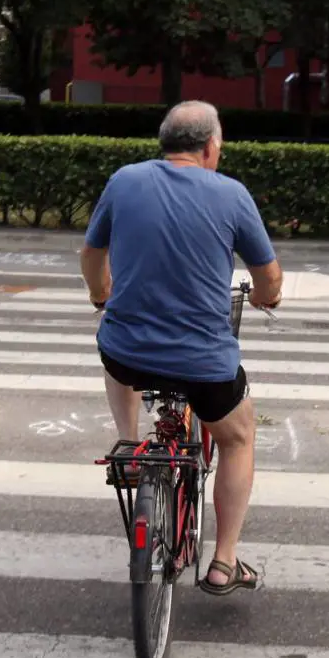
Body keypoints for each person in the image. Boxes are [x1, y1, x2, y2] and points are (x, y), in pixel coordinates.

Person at [80, 100, 283, 595]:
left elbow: (91, 254)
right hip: (203, 365)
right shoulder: (231, 194)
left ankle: (129, 441)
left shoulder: (124, 181)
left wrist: (99, 293)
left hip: (127, 353)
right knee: (238, 438)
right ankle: (224, 562)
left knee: (112, 331)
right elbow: (268, 275)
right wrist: (265, 297)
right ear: (211, 147)